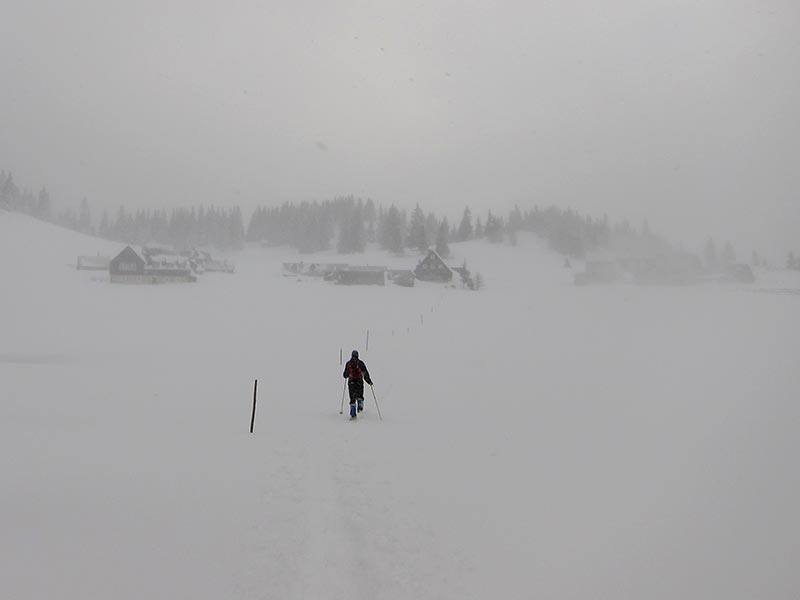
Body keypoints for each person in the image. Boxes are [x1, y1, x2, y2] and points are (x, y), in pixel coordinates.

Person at [343, 350, 372, 419]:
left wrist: (347, 375)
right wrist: (369, 381)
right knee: (360, 394)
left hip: (351, 382)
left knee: (352, 397)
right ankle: (360, 405)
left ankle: (353, 414)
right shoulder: (361, 363)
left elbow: (345, 375)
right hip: (359, 381)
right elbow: (365, 373)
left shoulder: (348, 363)